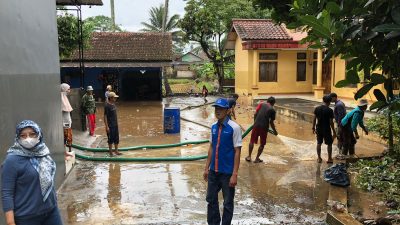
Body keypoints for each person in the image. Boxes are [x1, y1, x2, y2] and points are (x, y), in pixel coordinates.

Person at [1, 120, 63, 225]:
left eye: (32, 134)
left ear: (39, 134)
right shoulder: (12, 160)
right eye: (23, 136)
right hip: (27, 218)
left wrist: (54, 203)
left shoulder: (43, 153)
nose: (28, 139)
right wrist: (10, 222)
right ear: (18, 138)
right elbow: (7, 193)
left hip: (51, 212)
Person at [203, 98, 242, 225]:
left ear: (227, 110)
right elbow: (211, 147)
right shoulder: (213, 127)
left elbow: (237, 151)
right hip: (214, 171)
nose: (217, 111)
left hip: (227, 173)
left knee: (227, 202)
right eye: (216, 108)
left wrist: (234, 174)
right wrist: (206, 168)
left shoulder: (234, 128)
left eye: (220, 108)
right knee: (211, 199)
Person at [245, 97, 278, 163]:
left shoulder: (261, 104)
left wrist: (255, 122)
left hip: (256, 125)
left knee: (252, 141)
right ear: (273, 103)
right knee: (262, 144)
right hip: (264, 127)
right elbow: (271, 122)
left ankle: (249, 156)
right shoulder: (272, 110)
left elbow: (255, 114)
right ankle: (257, 158)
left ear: (267, 101)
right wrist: (275, 131)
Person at [312, 95, 337, 163]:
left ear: (323, 100)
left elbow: (314, 119)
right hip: (326, 129)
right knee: (329, 144)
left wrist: (313, 128)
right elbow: (331, 122)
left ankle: (319, 158)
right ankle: (329, 158)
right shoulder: (330, 110)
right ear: (329, 102)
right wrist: (334, 132)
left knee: (319, 143)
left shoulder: (317, 108)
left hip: (318, 128)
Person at [104, 91, 122, 156]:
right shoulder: (107, 106)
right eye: (114, 98)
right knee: (110, 139)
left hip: (115, 125)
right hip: (110, 125)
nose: (115, 99)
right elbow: (105, 116)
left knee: (116, 138)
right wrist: (107, 126)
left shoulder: (113, 104)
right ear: (111, 98)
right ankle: (111, 152)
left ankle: (116, 151)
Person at [61, 83, 73, 152]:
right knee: (65, 137)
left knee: (69, 137)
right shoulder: (61, 98)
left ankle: (69, 151)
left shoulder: (64, 97)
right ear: (64, 89)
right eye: (68, 89)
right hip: (64, 123)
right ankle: (65, 152)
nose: (69, 90)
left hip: (68, 122)